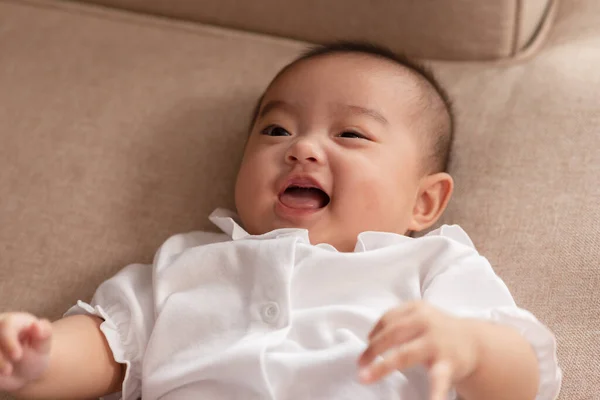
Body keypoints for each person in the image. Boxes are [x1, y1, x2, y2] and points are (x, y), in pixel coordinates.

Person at [0, 42, 561, 400]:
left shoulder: (433, 267)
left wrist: (471, 347)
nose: (303, 149)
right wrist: (37, 358)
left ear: (424, 203)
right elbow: (106, 347)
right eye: (277, 131)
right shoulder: (185, 264)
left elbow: (525, 381)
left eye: (351, 134)